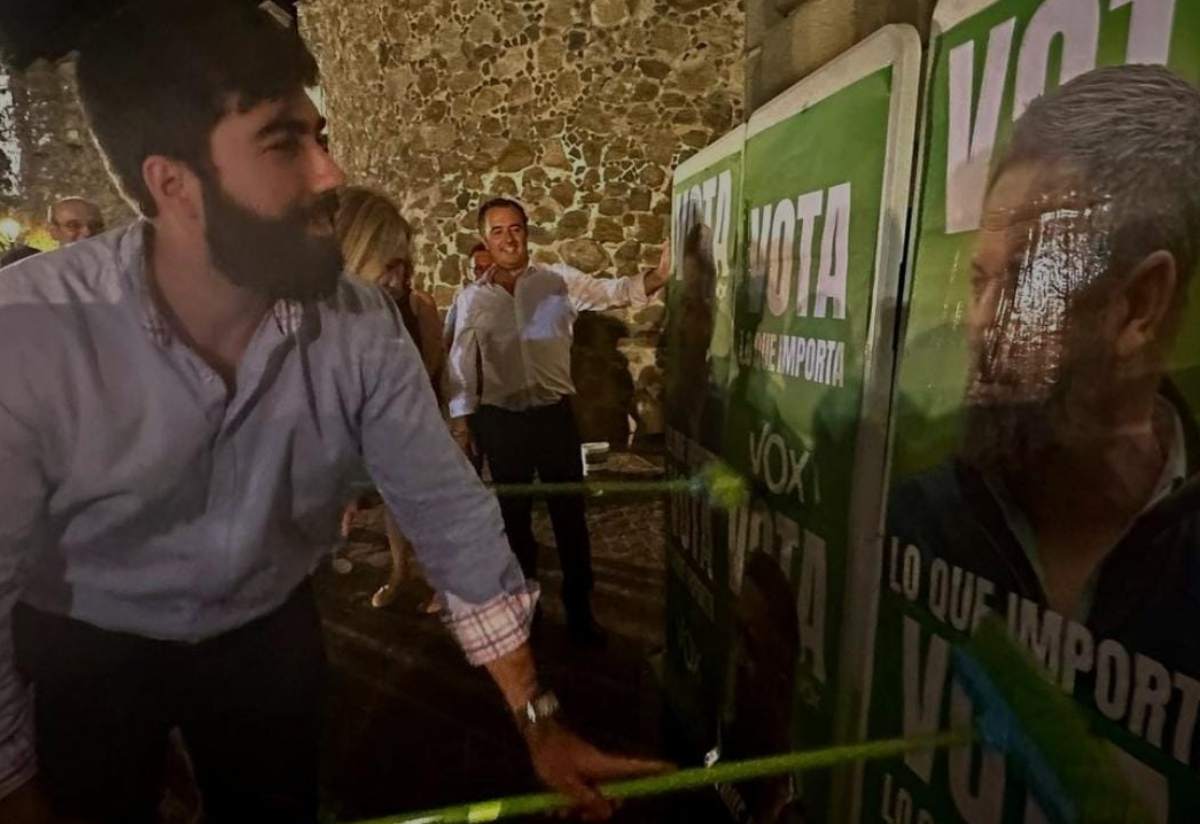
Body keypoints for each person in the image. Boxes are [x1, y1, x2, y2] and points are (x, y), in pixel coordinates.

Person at [0, 3, 665, 822]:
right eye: (285, 144)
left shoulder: (357, 322)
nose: (330, 175)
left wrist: (540, 719)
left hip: (265, 626)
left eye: (321, 136)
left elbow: (446, 509)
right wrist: (15, 785)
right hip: (86, 645)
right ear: (171, 184)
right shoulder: (29, 333)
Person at [889, 65, 1200, 685]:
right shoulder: (915, 522)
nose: (978, 324)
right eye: (980, 281)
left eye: (1026, 281)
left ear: (1138, 306)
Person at [445, 197, 670, 645]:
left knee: (570, 519)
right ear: (484, 240)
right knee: (514, 523)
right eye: (498, 231)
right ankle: (525, 615)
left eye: (516, 229)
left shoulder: (558, 281)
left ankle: (580, 613)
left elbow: (615, 290)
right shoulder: (470, 300)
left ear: (527, 232)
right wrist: (462, 421)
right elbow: (460, 363)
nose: (509, 239)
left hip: (553, 419)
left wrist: (659, 276)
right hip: (501, 423)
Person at [336, 185, 444, 609]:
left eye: (404, 267)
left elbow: (430, 366)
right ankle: (401, 573)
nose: (399, 280)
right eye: (390, 266)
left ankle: (439, 583)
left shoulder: (397, 313)